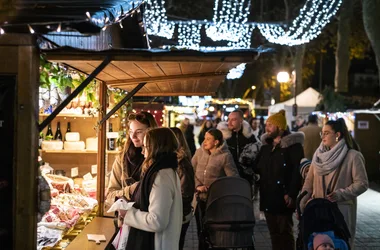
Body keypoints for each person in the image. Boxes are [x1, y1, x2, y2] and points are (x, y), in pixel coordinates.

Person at [301, 118, 368, 249]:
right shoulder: (318, 157)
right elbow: (308, 184)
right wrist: (302, 204)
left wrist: (340, 194)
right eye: (322, 133)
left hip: (341, 211)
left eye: (326, 133)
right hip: (319, 211)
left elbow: (362, 183)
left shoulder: (353, 156)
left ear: (337, 135)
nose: (323, 136)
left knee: (340, 244)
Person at [120, 127, 183, 250]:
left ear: (156, 148)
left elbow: (157, 221)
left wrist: (128, 214)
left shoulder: (161, 176)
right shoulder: (166, 170)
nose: (143, 152)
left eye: (146, 147)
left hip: (156, 244)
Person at [254, 109, 304, 250]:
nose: (267, 127)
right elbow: (259, 167)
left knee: (285, 233)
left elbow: (296, 172)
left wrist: (292, 194)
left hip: (283, 197)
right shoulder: (266, 147)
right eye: (267, 124)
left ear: (280, 128)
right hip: (268, 195)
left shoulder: (293, 147)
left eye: (270, 125)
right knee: (274, 232)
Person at [192, 128, 239, 236]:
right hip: (199, 198)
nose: (205, 141)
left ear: (216, 142)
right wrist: (198, 185)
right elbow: (191, 171)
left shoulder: (225, 156)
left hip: (215, 200)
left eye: (208, 139)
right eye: (204, 138)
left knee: (213, 231)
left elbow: (233, 178)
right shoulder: (199, 152)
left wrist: (216, 188)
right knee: (200, 230)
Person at [105, 112, 158, 205]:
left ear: (151, 132)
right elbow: (110, 196)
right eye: (131, 132)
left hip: (151, 216)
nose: (133, 136)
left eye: (139, 132)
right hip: (127, 217)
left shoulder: (159, 158)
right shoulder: (122, 159)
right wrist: (130, 190)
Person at [217, 109, 261, 186]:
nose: (229, 122)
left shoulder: (250, 138)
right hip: (227, 179)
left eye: (233, 120)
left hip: (246, 180)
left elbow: (258, 157)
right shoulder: (223, 138)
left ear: (241, 121)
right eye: (228, 119)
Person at [170, 127, 196, 250]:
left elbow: (185, 193)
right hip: (176, 214)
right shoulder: (172, 161)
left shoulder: (181, 164)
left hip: (180, 216)